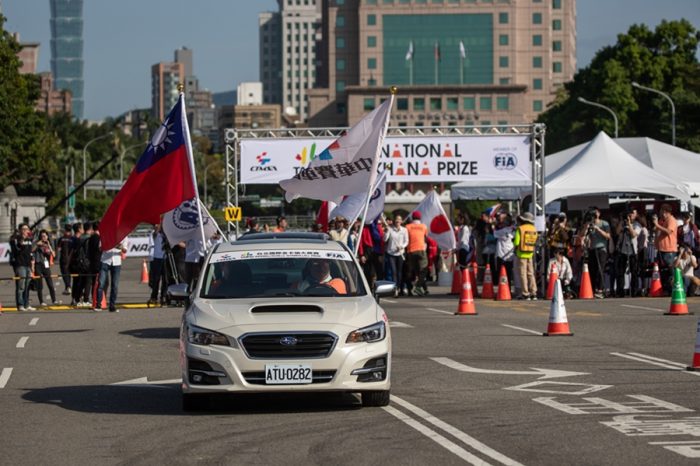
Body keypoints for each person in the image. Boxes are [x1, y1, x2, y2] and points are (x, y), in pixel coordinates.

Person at [580, 207, 611, 299]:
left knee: (600, 269)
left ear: (599, 214)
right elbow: (582, 234)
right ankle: (592, 288)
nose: (594, 216)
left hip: (601, 248)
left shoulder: (604, 223)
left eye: (596, 213)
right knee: (592, 269)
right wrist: (587, 225)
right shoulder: (590, 224)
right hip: (592, 249)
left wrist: (598, 229)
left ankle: (600, 289)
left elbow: (608, 236)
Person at [96, 234, 127, 313]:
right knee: (101, 283)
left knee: (115, 285)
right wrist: (108, 244)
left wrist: (120, 246)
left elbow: (125, 250)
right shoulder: (105, 234)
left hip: (117, 262)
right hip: (105, 260)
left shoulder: (123, 235)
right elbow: (100, 248)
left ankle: (112, 306)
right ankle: (98, 305)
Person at [614, 208, 641, 297]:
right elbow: (617, 232)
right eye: (629, 214)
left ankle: (634, 291)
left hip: (632, 250)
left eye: (632, 214)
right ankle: (620, 291)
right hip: (622, 249)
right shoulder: (622, 223)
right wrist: (622, 222)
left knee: (634, 271)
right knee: (620, 271)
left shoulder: (637, 225)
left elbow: (633, 235)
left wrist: (629, 225)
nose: (630, 216)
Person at [10, 224, 36, 311]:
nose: (26, 231)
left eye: (27, 229)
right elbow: (17, 249)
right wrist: (22, 239)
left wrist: (32, 264)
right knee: (21, 286)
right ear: (20, 230)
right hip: (20, 265)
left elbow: (30, 252)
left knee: (27, 286)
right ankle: (20, 305)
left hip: (28, 265)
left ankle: (26, 304)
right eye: (24, 229)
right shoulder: (15, 239)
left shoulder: (29, 240)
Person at [513, 211, 538, 300]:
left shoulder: (520, 229)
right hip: (530, 253)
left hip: (521, 253)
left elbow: (516, 242)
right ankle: (533, 292)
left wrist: (515, 248)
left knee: (523, 274)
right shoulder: (534, 229)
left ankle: (525, 293)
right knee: (531, 273)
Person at [653, 203, 678, 294]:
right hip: (661, 249)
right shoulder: (662, 221)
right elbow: (656, 230)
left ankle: (673, 289)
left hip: (669, 250)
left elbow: (668, 231)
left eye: (662, 212)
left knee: (670, 270)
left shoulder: (672, 220)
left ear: (666, 212)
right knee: (663, 271)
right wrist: (656, 224)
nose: (661, 214)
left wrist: (657, 224)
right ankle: (666, 289)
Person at [383, 214, 408, 296]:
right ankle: (395, 289)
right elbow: (384, 239)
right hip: (391, 253)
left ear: (401, 221)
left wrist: (401, 246)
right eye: (396, 219)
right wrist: (386, 232)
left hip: (400, 253)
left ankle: (400, 288)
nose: (398, 221)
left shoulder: (404, 230)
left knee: (399, 272)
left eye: (399, 219)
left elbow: (406, 241)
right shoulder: (390, 229)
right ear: (394, 221)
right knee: (393, 272)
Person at [405, 210, 429, 296]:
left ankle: (410, 289)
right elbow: (426, 238)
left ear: (412, 218)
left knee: (411, 271)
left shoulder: (407, 227)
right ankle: (418, 286)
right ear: (420, 218)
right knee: (423, 270)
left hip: (410, 251)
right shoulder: (424, 226)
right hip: (421, 250)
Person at [33, 230, 58, 306]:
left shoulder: (49, 243)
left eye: (45, 236)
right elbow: (32, 250)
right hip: (38, 263)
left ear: (47, 236)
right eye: (42, 236)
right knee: (40, 284)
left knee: (50, 283)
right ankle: (41, 301)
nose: (44, 237)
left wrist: (48, 245)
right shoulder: (37, 243)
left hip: (46, 264)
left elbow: (53, 255)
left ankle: (54, 300)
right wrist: (37, 245)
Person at [494, 213, 516, 289]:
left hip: (502, 255)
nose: (500, 220)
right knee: (509, 274)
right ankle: (508, 289)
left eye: (502, 219)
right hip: (510, 254)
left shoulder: (502, 230)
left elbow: (494, 233)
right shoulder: (513, 229)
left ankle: (503, 290)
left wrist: (493, 223)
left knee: (501, 273)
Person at [148, 225, 167, 305]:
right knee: (156, 279)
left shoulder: (165, 233)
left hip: (165, 257)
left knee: (165, 279)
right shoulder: (154, 233)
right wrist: (157, 230)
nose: (156, 226)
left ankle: (164, 296)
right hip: (157, 258)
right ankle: (154, 296)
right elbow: (154, 236)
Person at [56, 224, 73, 295]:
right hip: (72, 259)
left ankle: (68, 286)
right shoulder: (73, 238)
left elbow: (58, 249)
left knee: (64, 273)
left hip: (64, 259)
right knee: (69, 274)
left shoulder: (62, 239)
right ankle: (68, 287)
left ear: (65, 230)